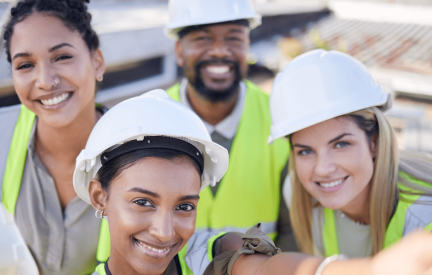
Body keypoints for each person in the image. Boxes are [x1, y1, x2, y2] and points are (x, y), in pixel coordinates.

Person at [75, 89, 432, 275]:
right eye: (143, 202)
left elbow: (271, 269)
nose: (166, 231)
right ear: (99, 196)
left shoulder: (203, 257)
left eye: (184, 206)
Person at [0, 0, 106, 274]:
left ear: (97, 62)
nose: (45, 81)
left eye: (62, 57)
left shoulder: (135, 152)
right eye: (25, 65)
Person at [268, 49, 432, 258]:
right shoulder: (297, 193)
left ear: (375, 142)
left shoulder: (425, 215)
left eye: (341, 144)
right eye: (306, 151)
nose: (323, 169)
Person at [164, 0, 293, 250]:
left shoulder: (282, 118)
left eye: (234, 38)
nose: (220, 51)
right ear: (179, 51)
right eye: (203, 39)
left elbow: (293, 231)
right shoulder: (147, 119)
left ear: (247, 46)